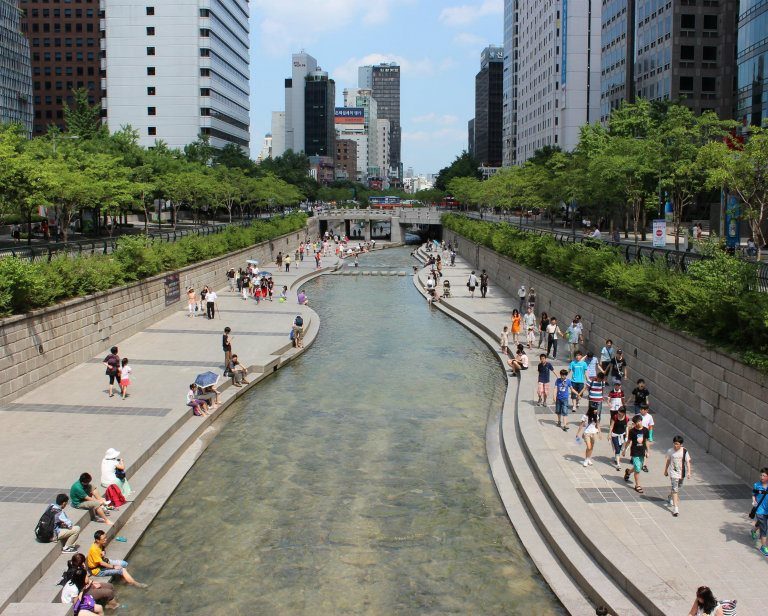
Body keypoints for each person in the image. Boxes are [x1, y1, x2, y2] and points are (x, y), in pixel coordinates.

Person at [664, 435, 692, 517]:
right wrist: (665, 470)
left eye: (677, 444)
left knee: (678, 487)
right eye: (674, 443)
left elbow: (688, 462)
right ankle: (676, 508)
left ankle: (670, 496)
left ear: (681, 444)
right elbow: (668, 461)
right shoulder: (670, 451)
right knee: (675, 489)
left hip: (681, 473)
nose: (675, 445)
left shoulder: (685, 451)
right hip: (673, 473)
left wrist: (689, 472)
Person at [623, 415, 650, 493]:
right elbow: (629, 441)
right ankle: (637, 485)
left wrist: (648, 451)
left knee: (638, 467)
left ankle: (628, 472)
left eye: (639, 421)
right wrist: (624, 450)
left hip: (642, 451)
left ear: (641, 421)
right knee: (638, 469)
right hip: (635, 452)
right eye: (636, 422)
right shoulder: (632, 431)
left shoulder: (645, 430)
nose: (638, 423)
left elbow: (647, 441)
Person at [751, 467, 768, 556]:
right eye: (761, 475)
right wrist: (754, 501)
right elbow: (754, 494)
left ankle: (753, 530)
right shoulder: (757, 485)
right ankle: (763, 546)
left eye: (764, 475)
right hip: (760, 510)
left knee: (761, 523)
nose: (762, 477)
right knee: (764, 528)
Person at [608, 406, 629, 470]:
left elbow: (627, 427)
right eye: (618, 412)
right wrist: (609, 434)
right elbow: (611, 426)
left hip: (622, 435)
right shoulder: (615, 417)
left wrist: (627, 435)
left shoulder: (626, 418)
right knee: (617, 448)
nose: (619, 414)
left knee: (619, 448)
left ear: (624, 413)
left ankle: (616, 458)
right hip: (615, 435)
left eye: (620, 413)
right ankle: (618, 464)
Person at [639, 404, 655, 471]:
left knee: (645, 449)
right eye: (640, 409)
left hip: (645, 435)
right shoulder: (638, 416)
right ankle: (635, 458)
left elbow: (651, 426)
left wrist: (650, 436)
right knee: (638, 447)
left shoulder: (649, 417)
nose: (641, 411)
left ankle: (644, 465)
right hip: (638, 435)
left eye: (642, 409)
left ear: (646, 410)